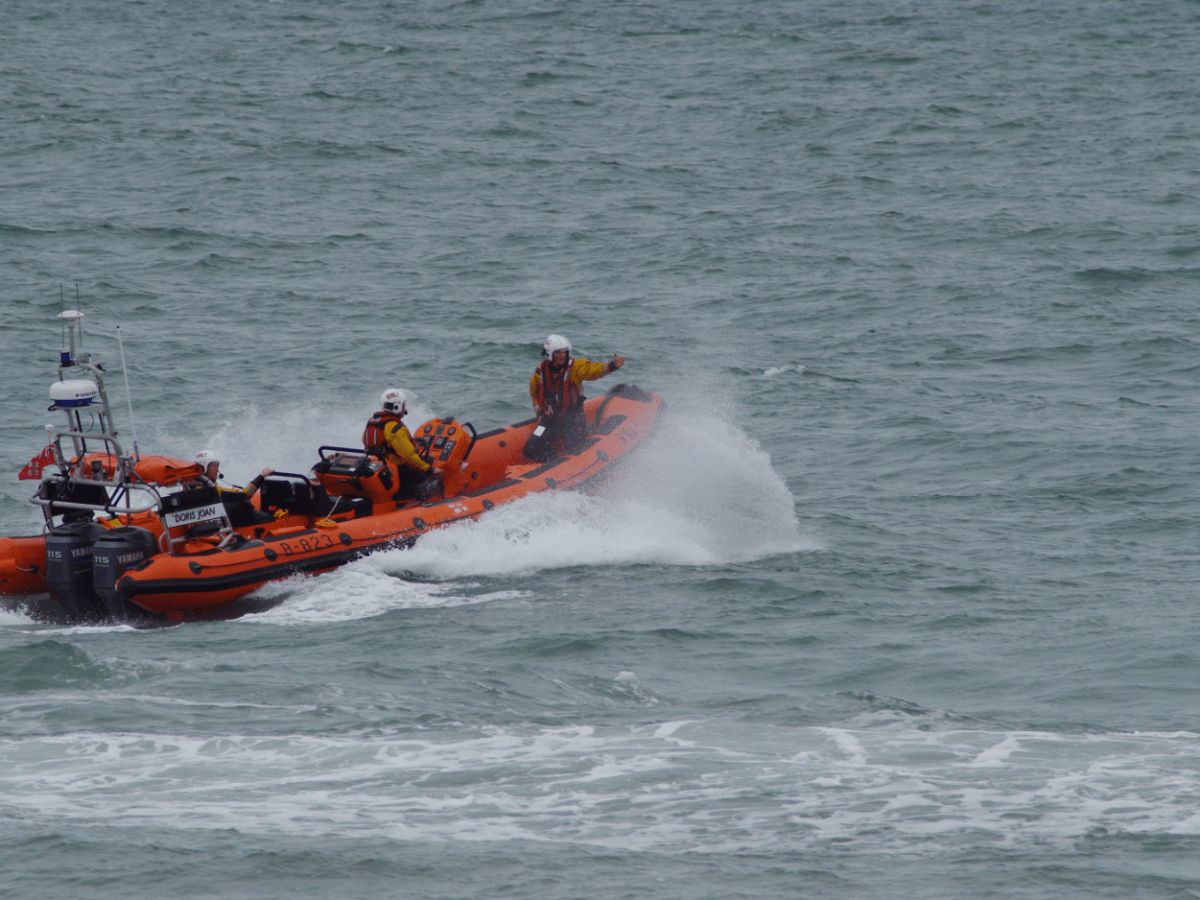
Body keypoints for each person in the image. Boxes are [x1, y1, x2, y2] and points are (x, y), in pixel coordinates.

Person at [525, 334, 624, 461]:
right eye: (558, 353)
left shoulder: (576, 367)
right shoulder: (539, 374)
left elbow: (593, 371)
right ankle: (552, 460)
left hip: (573, 419)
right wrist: (539, 412)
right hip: (550, 420)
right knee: (530, 448)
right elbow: (534, 394)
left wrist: (612, 365)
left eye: (564, 352)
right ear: (549, 354)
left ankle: (565, 462)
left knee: (574, 450)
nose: (562, 356)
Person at [362, 388, 442, 500]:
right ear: (397, 406)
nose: (405, 409)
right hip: (397, 472)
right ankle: (438, 502)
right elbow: (409, 457)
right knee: (432, 474)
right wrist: (430, 469)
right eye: (404, 405)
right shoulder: (395, 428)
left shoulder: (373, 423)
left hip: (381, 468)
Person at [193, 450, 274, 498]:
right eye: (213, 466)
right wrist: (261, 476)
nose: (217, 469)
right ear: (203, 468)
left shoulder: (193, 488)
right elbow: (243, 495)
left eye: (217, 466)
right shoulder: (211, 490)